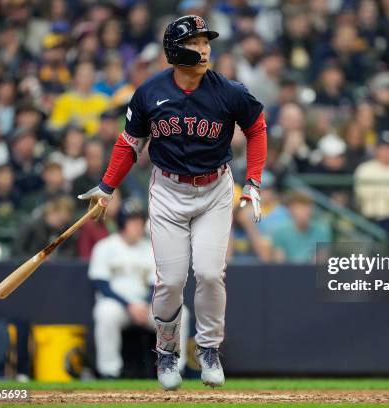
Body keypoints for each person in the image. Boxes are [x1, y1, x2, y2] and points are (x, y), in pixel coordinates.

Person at [77, 15, 267, 391]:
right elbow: (129, 143)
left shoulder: (229, 91)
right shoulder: (149, 92)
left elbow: (257, 127)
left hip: (214, 189)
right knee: (171, 282)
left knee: (211, 274)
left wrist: (254, 180)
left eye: (205, 42)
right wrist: (107, 186)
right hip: (167, 190)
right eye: (196, 43)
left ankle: (209, 349)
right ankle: (166, 352)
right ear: (175, 50)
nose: (204, 48)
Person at [88, 202, 189, 378]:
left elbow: (156, 285)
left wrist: (142, 303)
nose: (137, 225)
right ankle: (109, 371)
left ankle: (174, 368)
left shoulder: (151, 249)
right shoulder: (105, 247)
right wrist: (130, 305)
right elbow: (101, 284)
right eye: (131, 221)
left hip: (146, 304)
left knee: (181, 312)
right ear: (121, 222)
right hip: (117, 304)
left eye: (139, 221)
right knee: (105, 313)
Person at [271, 191, 331, 263]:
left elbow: (319, 263)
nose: (302, 212)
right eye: (297, 208)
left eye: (305, 207)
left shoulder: (322, 231)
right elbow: (280, 264)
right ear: (290, 210)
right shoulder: (280, 232)